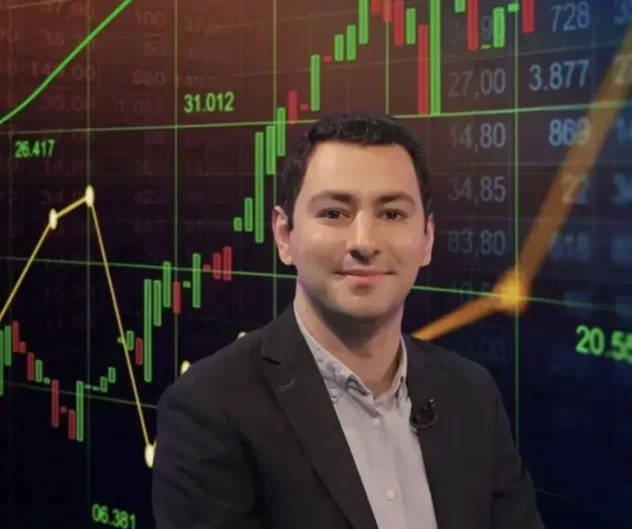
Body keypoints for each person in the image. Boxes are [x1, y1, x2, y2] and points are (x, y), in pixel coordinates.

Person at [151, 112, 546, 529]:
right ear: (284, 235)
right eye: (334, 213)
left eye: (392, 214)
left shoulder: (472, 395)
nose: (364, 243)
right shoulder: (209, 411)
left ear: (427, 238)